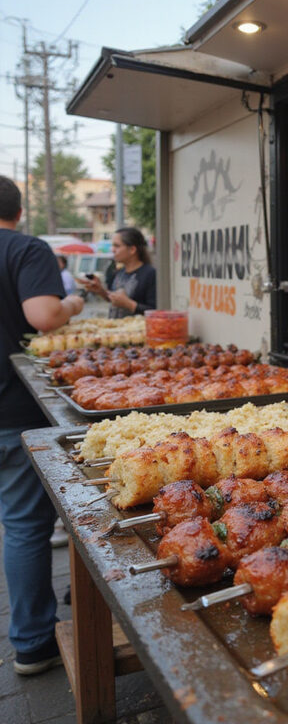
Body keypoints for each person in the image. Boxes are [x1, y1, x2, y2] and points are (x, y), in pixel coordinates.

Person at [0, 175, 84, 674]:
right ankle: (32, 641)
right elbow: (45, 316)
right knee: (24, 525)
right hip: (13, 408)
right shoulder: (24, 248)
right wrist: (73, 304)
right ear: (19, 210)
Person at [78, 226, 156, 317]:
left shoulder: (150, 274)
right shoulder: (119, 272)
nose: (113, 250)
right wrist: (100, 290)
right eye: (113, 246)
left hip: (137, 325)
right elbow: (115, 300)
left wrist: (129, 304)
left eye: (117, 246)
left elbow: (155, 311)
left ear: (132, 250)